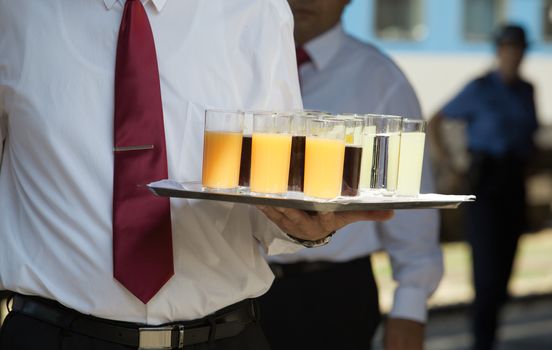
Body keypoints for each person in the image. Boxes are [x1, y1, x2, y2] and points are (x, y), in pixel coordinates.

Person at [0, 1, 394, 349]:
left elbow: (272, 186)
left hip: (222, 337)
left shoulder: (257, 10)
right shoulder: (16, 12)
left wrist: (304, 225)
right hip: (52, 335)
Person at [259, 1, 443, 350]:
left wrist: (410, 309)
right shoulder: (236, 63)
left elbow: (410, 203)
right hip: (233, 294)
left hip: (331, 295)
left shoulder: (379, 79)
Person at [429, 24, 538, 350]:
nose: (513, 54)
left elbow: (529, 139)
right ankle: (482, 341)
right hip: (486, 183)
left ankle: (490, 337)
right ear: (498, 51)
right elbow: (437, 120)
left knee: (505, 271)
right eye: (507, 48)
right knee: (486, 272)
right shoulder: (480, 88)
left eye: (518, 48)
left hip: (514, 183)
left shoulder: (526, 90)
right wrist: (451, 164)